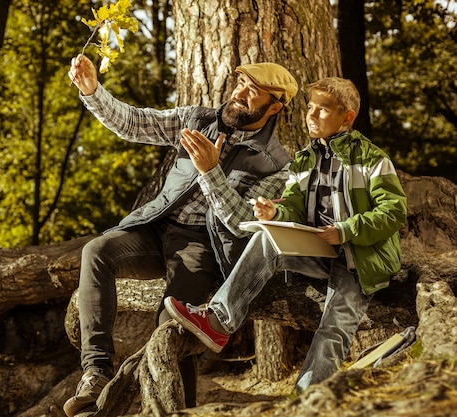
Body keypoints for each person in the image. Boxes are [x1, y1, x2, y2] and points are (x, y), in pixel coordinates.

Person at [63, 53, 298, 417]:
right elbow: (137, 123)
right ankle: (95, 373)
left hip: (203, 245)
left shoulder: (277, 163)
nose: (240, 94)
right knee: (97, 251)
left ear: (275, 107)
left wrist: (210, 171)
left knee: (172, 322)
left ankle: (181, 410)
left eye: (254, 92)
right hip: (155, 227)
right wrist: (93, 90)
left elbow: (239, 223)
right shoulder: (198, 119)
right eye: (241, 84)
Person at [165, 77, 408, 394]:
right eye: (310, 107)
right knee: (267, 237)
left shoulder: (371, 158)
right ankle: (218, 322)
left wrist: (346, 230)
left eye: (323, 110)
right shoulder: (306, 159)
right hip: (319, 248)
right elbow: (293, 205)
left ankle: (307, 396)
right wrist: (274, 213)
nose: (312, 115)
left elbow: (393, 211)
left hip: (361, 258)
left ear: (346, 117)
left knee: (335, 324)